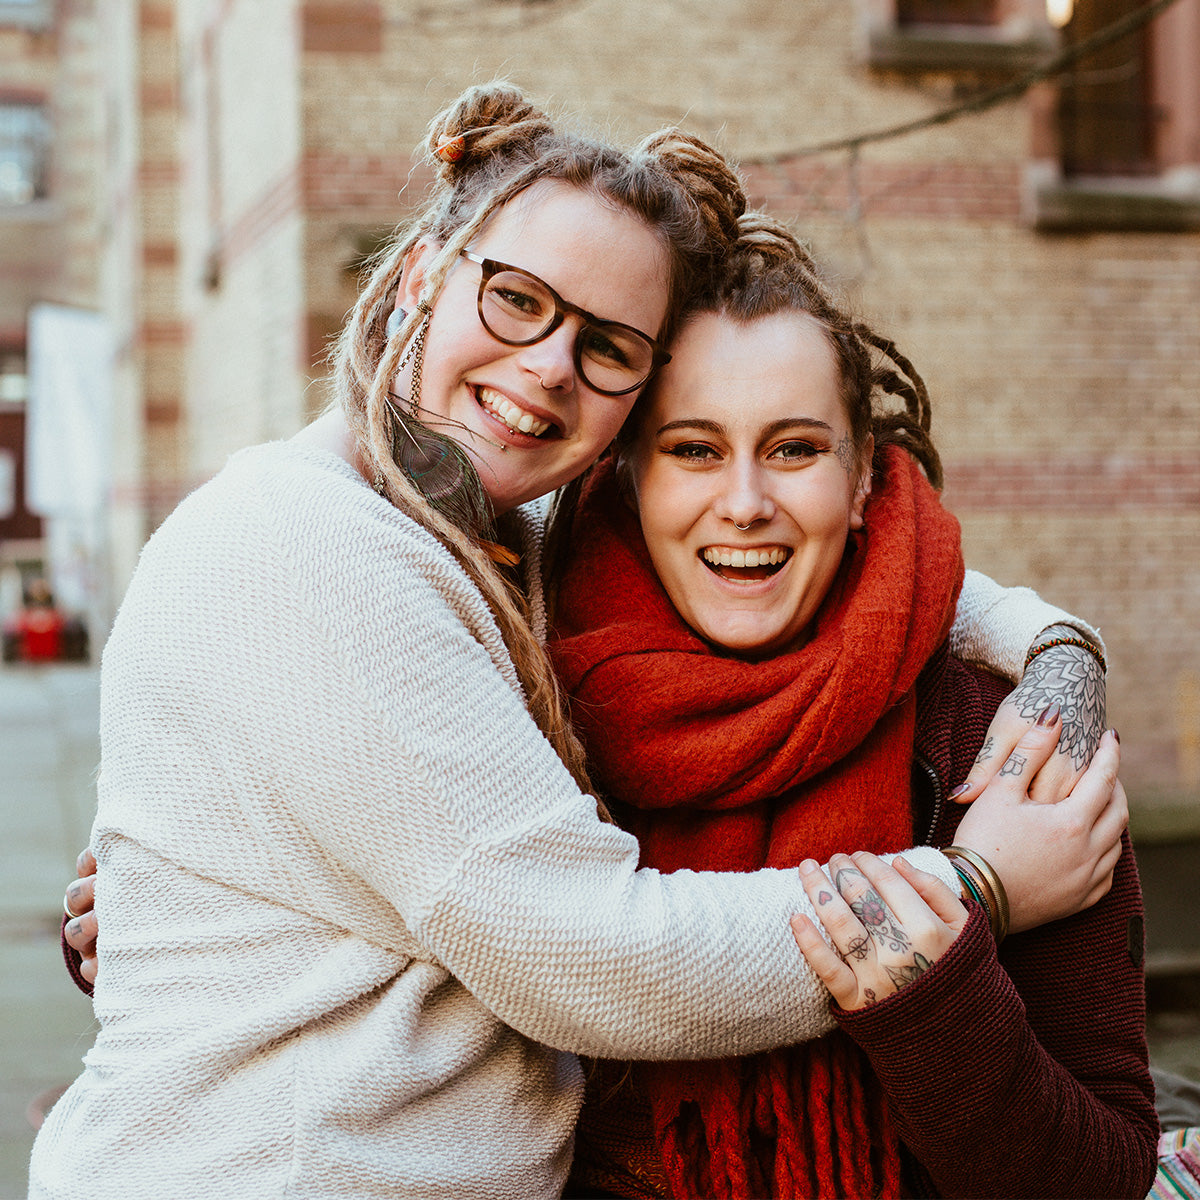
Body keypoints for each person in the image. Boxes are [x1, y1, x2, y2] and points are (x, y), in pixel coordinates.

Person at [42, 85, 1127, 1200]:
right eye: (517, 299)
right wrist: (974, 887)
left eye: (608, 346)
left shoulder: (508, 551)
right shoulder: (313, 545)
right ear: (425, 272)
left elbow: (890, 584)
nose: (552, 364)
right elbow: (591, 957)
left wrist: (1053, 645)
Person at [548, 213, 1156, 1199]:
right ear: (627, 473)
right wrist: (976, 889)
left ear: (861, 469)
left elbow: (1103, 1177)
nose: (744, 502)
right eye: (695, 450)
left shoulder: (1007, 739)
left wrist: (933, 991)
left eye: (792, 449)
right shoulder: (537, 722)